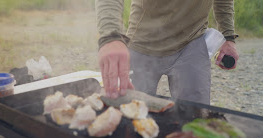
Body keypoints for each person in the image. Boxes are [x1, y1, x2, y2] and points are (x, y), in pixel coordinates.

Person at [96, 0, 239, 105]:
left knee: (195, 116)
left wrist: (228, 37)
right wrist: (110, 37)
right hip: (142, 42)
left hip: (192, 42)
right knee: (129, 112)